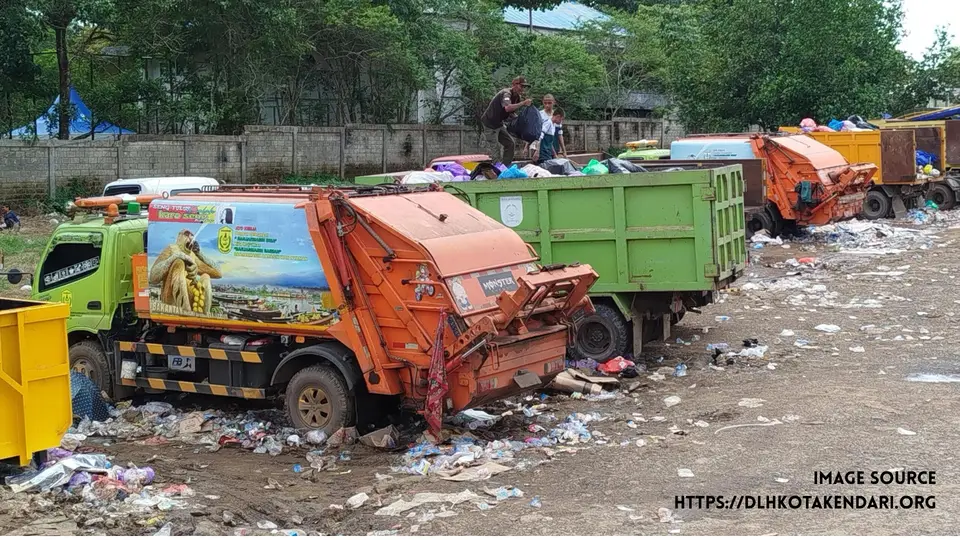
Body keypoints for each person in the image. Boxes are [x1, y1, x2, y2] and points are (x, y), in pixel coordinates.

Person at [480, 76, 532, 166]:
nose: (523, 89)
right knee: (495, 148)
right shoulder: (506, 93)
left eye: (524, 87)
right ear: (514, 84)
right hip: (490, 124)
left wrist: (520, 121)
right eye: (521, 86)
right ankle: (498, 171)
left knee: (510, 143)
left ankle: (505, 167)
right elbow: (507, 108)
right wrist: (523, 103)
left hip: (499, 124)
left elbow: (511, 113)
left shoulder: (516, 97)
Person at [536, 95, 559, 163]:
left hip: (553, 144)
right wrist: (536, 150)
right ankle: (502, 169)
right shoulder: (540, 114)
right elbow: (537, 132)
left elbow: (560, 133)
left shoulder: (557, 115)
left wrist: (563, 151)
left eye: (549, 103)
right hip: (543, 146)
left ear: (554, 102)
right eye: (545, 103)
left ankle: (503, 169)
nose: (547, 105)